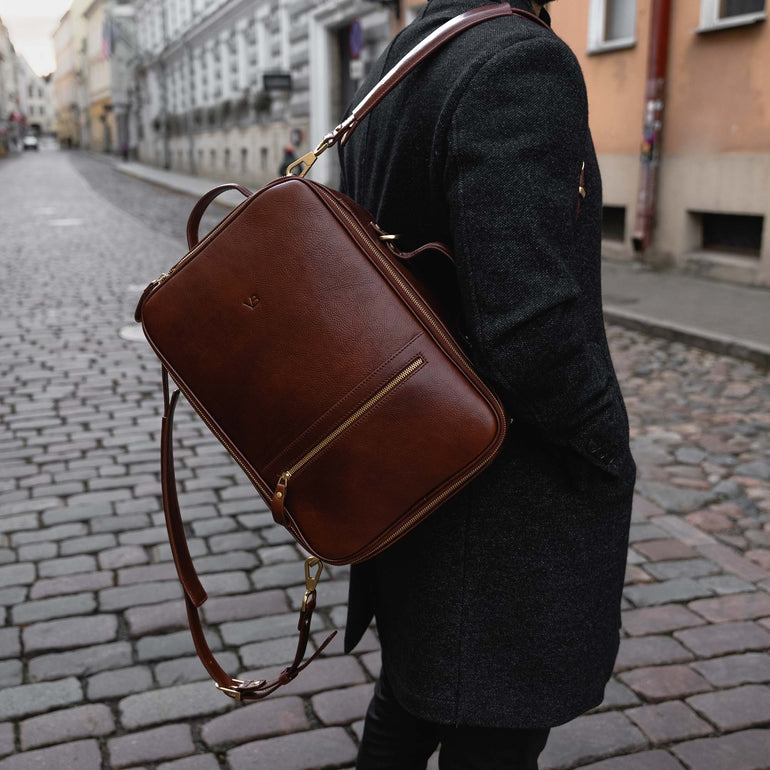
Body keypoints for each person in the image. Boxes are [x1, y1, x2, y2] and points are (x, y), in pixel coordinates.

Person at [337, 1, 636, 768]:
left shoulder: (405, 59)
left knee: (413, 693)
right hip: (501, 495)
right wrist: (605, 442)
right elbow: (529, 327)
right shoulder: (519, 60)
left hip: (414, 465)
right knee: (490, 727)